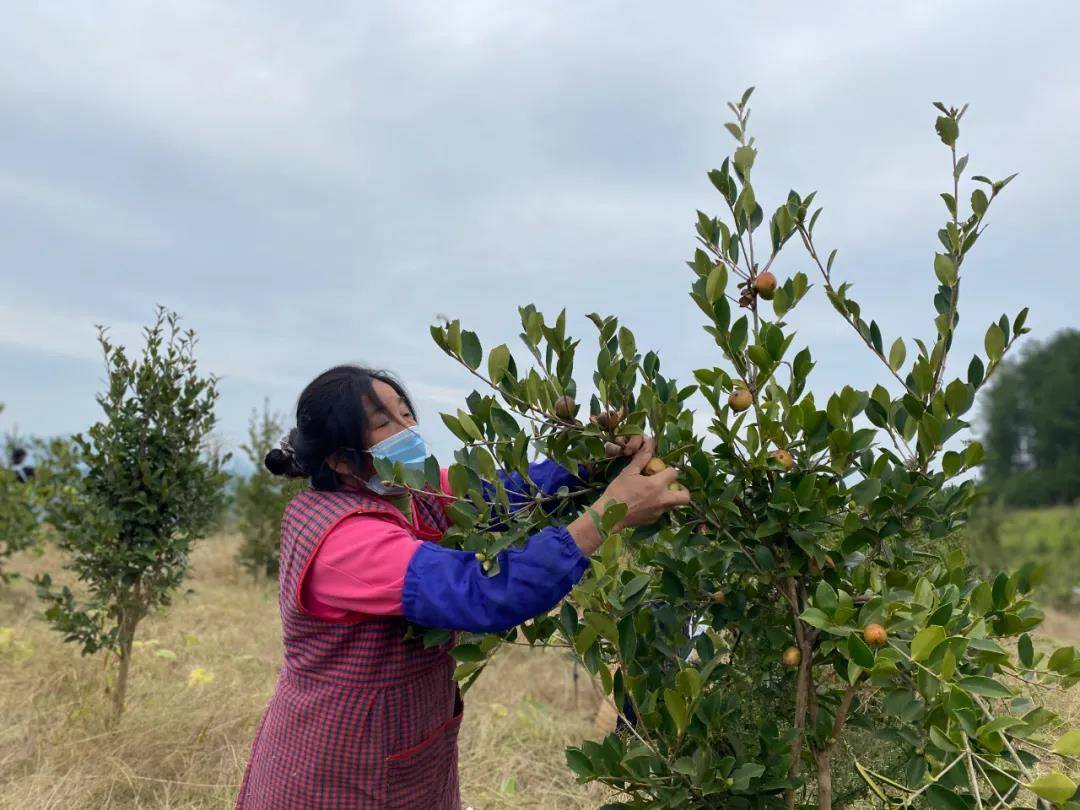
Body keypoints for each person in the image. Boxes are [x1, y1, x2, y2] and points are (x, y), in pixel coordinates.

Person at [235, 365, 688, 809]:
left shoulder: (411, 493)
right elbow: (482, 591)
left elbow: (500, 496)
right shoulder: (344, 543)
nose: (406, 429)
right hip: (332, 768)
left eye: (405, 413)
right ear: (339, 459)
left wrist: (588, 464)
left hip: (403, 750)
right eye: (382, 423)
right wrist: (607, 516)